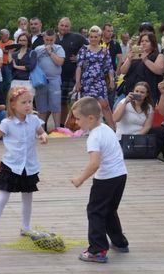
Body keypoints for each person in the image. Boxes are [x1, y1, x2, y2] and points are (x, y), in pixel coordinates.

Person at [0, 86, 48, 247]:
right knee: (3, 198)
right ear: (13, 104)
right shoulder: (7, 123)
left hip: (29, 166)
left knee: (28, 197)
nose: (28, 105)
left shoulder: (33, 120)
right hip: (12, 166)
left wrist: (43, 136)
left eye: (30, 102)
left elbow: (41, 132)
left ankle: (26, 227)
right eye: (24, 102)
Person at [70, 97, 129, 263]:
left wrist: (80, 179)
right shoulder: (106, 128)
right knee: (109, 210)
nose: (76, 121)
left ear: (90, 118)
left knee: (95, 211)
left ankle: (97, 249)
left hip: (106, 179)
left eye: (78, 118)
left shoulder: (94, 137)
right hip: (120, 175)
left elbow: (94, 164)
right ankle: (120, 242)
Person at [75, 26, 115, 128]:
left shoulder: (104, 50)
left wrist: (111, 80)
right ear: (88, 37)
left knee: (105, 105)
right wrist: (78, 82)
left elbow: (109, 67)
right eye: (91, 37)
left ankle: (113, 128)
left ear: (100, 37)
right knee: (85, 106)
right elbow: (79, 67)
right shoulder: (83, 49)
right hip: (86, 81)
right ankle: (85, 128)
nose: (93, 39)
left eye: (95, 37)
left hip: (99, 81)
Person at [57, 17, 88, 125]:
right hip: (56, 76)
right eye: (62, 25)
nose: (64, 28)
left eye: (66, 26)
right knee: (58, 102)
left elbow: (90, 49)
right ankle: (57, 125)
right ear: (58, 25)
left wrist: (79, 58)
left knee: (70, 102)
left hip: (72, 76)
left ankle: (71, 125)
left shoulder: (77, 37)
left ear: (70, 27)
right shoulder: (53, 38)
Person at [119, 33, 164, 103]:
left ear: (153, 43)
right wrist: (128, 59)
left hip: (148, 93)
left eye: (147, 41)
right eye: (142, 41)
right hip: (131, 91)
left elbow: (159, 70)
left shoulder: (158, 55)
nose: (143, 43)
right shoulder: (134, 55)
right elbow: (123, 71)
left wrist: (146, 60)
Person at [33, 30, 65, 128]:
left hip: (54, 80)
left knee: (55, 106)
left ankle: (57, 129)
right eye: (47, 40)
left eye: (51, 40)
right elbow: (32, 63)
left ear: (55, 39)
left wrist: (50, 52)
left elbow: (60, 62)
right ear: (43, 39)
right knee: (41, 107)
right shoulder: (38, 49)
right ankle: (41, 130)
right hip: (41, 81)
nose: (49, 42)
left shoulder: (59, 48)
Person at [0, 29, 13, 93]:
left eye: (2, 34)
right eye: (0, 34)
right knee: (1, 81)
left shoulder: (11, 42)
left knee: (8, 81)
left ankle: (8, 95)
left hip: (7, 64)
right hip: (0, 64)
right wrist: (5, 50)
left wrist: (3, 50)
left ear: (7, 35)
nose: (0, 36)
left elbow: (12, 50)